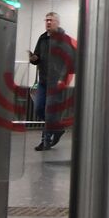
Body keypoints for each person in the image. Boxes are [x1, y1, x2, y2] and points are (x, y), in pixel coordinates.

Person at [28, 11, 75, 151]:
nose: (48, 22)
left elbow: (68, 61)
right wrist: (34, 59)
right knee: (38, 109)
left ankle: (46, 141)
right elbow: (37, 57)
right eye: (46, 20)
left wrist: (62, 78)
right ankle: (58, 128)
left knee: (49, 113)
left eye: (51, 20)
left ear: (57, 22)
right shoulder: (42, 38)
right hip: (43, 82)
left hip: (56, 83)